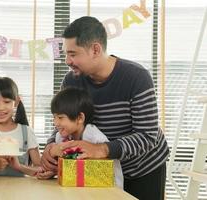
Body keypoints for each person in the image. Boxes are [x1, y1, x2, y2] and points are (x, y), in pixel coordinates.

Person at [41, 16, 169, 200]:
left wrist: (100, 149)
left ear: (95, 49)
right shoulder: (71, 81)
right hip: (98, 171)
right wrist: (51, 147)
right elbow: (63, 122)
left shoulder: (137, 77)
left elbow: (147, 137)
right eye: (65, 54)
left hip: (142, 170)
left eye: (73, 54)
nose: (67, 61)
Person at [37, 87, 124, 188]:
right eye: (54, 117)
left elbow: (99, 170)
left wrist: (55, 150)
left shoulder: (94, 137)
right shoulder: (61, 136)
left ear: (80, 118)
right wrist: (54, 171)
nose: (55, 123)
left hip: (109, 189)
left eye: (60, 117)